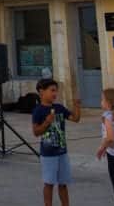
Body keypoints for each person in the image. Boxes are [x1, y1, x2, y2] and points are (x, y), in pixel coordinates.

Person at [32, 78, 82, 206]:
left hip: (62, 153)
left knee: (63, 183)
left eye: (56, 91)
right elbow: (36, 132)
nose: (55, 94)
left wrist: (77, 106)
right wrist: (47, 122)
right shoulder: (38, 110)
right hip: (48, 154)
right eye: (52, 90)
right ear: (41, 92)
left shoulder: (59, 108)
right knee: (49, 184)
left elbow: (75, 119)